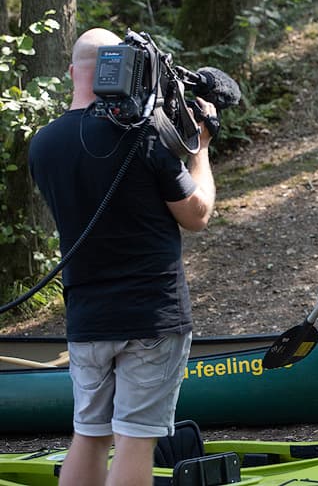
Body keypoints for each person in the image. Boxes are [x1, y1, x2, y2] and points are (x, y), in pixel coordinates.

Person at [28, 28, 217, 486]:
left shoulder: (43, 144)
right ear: (128, 70)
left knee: (89, 435)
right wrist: (202, 150)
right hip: (151, 316)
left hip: (87, 316)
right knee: (135, 440)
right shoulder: (143, 136)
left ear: (72, 72)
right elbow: (197, 215)